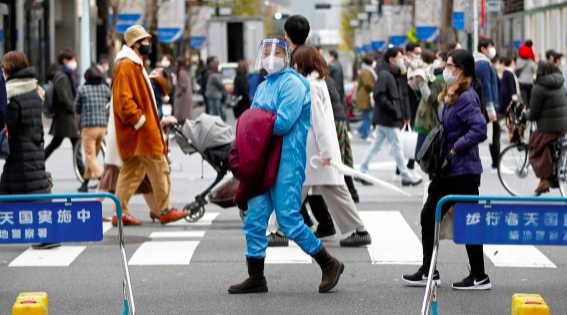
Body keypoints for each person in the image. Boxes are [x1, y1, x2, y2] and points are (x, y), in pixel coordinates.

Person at [228, 36, 344, 295]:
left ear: (287, 55)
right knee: (255, 217)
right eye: (266, 51)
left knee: (288, 219)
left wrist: (251, 119)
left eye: (276, 51)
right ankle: (256, 276)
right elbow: (260, 120)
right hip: (263, 157)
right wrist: (254, 120)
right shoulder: (264, 84)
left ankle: (329, 263)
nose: (270, 56)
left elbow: (281, 123)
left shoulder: (293, 83)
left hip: (286, 160)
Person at [403, 49, 491, 290]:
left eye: (450, 65)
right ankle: (435, 271)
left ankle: (473, 275)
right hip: (450, 170)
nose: (445, 68)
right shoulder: (455, 93)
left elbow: (480, 129)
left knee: (459, 220)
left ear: (461, 70)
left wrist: (454, 150)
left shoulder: (466, 97)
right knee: (439, 216)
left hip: (461, 169)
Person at [111, 25, 189, 226]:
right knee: (160, 168)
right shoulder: (128, 65)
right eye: (145, 41)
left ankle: (120, 213)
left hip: (137, 133)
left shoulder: (131, 64)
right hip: (143, 133)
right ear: (136, 44)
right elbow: (123, 101)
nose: (148, 44)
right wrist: (141, 121)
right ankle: (164, 210)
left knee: (130, 173)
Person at [294, 45, 371, 247]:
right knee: (326, 189)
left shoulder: (310, 86)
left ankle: (276, 229)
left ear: (303, 64)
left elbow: (319, 121)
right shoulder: (319, 82)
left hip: (315, 152)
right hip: (318, 151)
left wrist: (326, 152)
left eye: (296, 62)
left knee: (295, 190)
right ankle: (358, 229)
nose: (293, 66)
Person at [1, 52, 53, 248]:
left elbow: (10, 124)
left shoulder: (13, 94)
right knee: (11, 189)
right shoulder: (33, 88)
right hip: (32, 148)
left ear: (10, 68)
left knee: (34, 193)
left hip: (20, 153)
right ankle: (49, 235)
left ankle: (50, 236)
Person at [358, 48, 423, 186]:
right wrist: (393, 109)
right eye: (399, 57)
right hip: (387, 118)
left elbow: (401, 95)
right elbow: (378, 95)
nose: (402, 60)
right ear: (391, 60)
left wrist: (402, 113)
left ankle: (362, 170)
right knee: (397, 146)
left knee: (376, 145)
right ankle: (405, 175)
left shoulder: (394, 74)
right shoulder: (385, 75)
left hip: (387, 117)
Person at [524, 61, 567, 194]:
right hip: (564, 127)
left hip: (549, 128)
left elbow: (534, 113)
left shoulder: (538, 88)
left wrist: (525, 115)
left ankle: (544, 179)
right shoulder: (560, 84)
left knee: (535, 144)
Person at [44, 48, 84, 175]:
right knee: (75, 141)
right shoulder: (62, 77)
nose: (74, 62)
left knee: (56, 143)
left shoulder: (65, 75)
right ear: (65, 61)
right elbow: (64, 98)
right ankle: (82, 170)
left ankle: (38, 162)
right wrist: (74, 108)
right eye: (72, 60)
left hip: (64, 118)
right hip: (66, 117)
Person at [74, 66, 111, 192]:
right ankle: (85, 183)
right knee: (93, 156)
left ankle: (103, 179)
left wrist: (78, 125)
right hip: (102, 126)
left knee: (90, 156)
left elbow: (77, 108)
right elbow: (110, 102)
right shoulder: (105, 89)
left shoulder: (82, 89)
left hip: (88, 127)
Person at [409, 50, 445, 160]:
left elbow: (430, 97)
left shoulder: (439, 79)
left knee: (422, 156)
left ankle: (435, 175)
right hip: (425, 118)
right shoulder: (431, 75)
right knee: (422, 155)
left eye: (438, 59)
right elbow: (421, 94)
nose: (436, 61)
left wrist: (421, 82)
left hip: (429, 120)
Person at [473, 38, 499, 174]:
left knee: (476, 134)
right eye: (490, 46)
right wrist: (490, 108)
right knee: (494, 133)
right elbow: (486, 87)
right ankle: (496, 164)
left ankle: (496, 163)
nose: (492, 49)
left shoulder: (477, 61)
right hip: (483, 105)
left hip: (477, 104)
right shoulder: (483, 63)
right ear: (483, 48)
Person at [355, 53, 376, 140]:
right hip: (365, 97)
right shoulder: (366, 71)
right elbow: (367, 83)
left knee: (367, 116)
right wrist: (376, 86)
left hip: (365, 96)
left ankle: (360, 130)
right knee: (368, 117)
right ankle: (364, 134)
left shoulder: (366, 70)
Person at [517, 40, 537, 107]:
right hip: (529, 82)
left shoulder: (519, 60)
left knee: (524, 97)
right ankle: (528, 109)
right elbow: (534, 71)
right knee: (529, 98)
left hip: (522, 81)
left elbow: (517, 69)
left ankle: (524, 110)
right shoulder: (531, 60)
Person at [174, 56, 193, 124]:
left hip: (182, 98)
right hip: (185, 97)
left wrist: (177, 94)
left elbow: (183, 86)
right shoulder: (184, 72)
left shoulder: (182, 73)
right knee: (184, 118)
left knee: (182, 117)